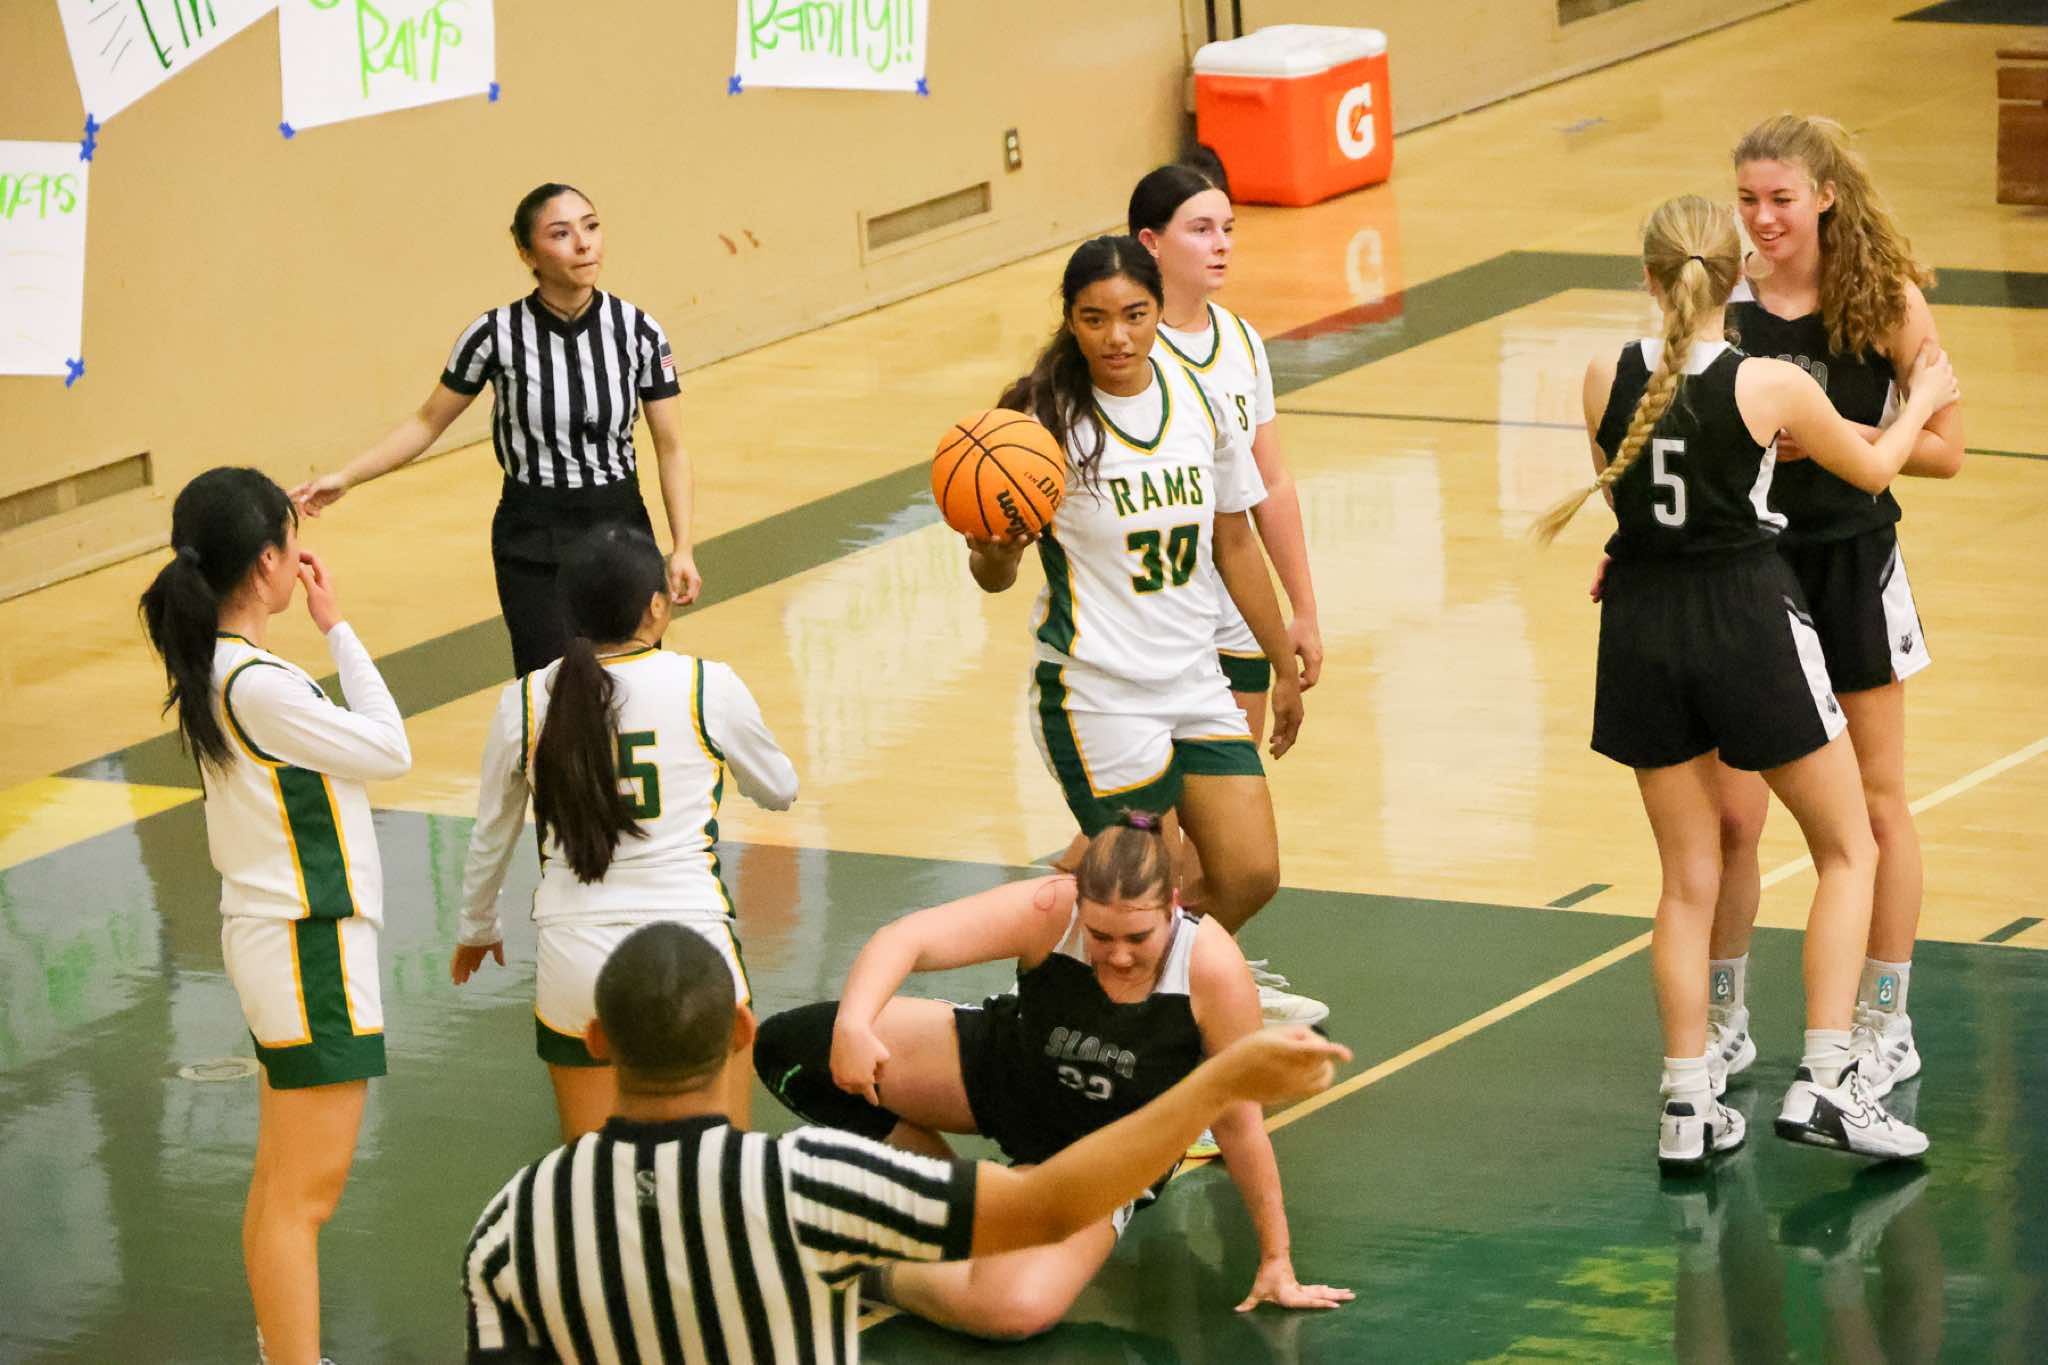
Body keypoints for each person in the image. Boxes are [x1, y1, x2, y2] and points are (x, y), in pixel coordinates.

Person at [1531, 194, 1958, 1169]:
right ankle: (1828, 1079)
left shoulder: (1602, 374)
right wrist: (1921, 400)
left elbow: (1625, 497)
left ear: (1649, 277)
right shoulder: (1769, 384)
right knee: (1847, 847)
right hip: (1742, 620)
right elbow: (1871, 470)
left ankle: (1687, 1101)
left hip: (1638, 626)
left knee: (1687, 880)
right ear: (1740, 278)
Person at [461, 922, 1349, 1364]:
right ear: (740, 1030)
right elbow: (1049, 1206)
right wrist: (1215, 1084)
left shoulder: (512, 1221)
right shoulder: (812, 1182)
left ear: (596, 1040)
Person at [751, 816, 1352, 1339]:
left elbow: (1239, 1122)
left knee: (1011, 1310)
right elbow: (905, 939)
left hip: (1097, 1162)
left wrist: (1277, 1258)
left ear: (1174, 905)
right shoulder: (1049, 908)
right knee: (793, 1047)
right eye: (1101, 936)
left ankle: (861, 1266)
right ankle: (948, 1196)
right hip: (1008, 1076)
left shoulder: (1212, 970)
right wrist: (854, 1024)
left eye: (1138, 938)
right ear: (1077, 903)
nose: (1119, 955)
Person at [967, 234, 1322, 1027]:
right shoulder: (1039, 422)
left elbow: (1234, 541)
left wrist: (1282, 663)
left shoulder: (1198, 397)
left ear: (1161, 309)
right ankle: (1140, 1024)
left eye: (1134, 314)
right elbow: (994, 574)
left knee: (1250, 871)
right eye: (1094, 319)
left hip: (1192, 678)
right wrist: (993, 552)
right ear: (1070, 320)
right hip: (1098, 694)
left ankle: (1116, 975)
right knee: (1145, 891)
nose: (1117, 336)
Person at [1690, 114, 1967, 1100]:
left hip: (1850, 564)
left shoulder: (1883, 300)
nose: (1761, 218)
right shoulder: (1723, 299)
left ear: (1824, 196)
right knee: (1734, 815)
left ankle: (1884, 1019)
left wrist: (1838, 434)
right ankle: (1721, 1018)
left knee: (1876, 805)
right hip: (1750, 570)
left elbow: (1945, 449)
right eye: (1747, 199)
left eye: (1780, 198)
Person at [139, 467, 412, 1365]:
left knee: (279, 1184)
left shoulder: (222, 668)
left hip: (278, 937)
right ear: (266, 562)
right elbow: (391, 746)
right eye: (292, 541)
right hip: (308, 942)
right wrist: (339, 628)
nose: (302, 557)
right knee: (303, 1196)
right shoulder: (258, 683)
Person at [455, 524, 795, 1141]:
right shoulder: (706, 685)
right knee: (722, 1168)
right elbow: (780, 789)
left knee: (593, 1172)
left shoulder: (526, 699)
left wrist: (477, 929)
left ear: (568, 611)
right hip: (691, 943)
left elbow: (491, 835)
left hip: (573, 953)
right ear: (656, 606)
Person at [291, 182, 701, 676]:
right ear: (527, 253)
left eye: (591, 227)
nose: (583, 244)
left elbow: (671, 448)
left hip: (620, 529)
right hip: (533, 535)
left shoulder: (639, 331)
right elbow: (427, 422)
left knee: (632, 679)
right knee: (548, 685)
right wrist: (347, 477)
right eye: (561, 234)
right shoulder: (493, 336)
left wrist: (682, 547)